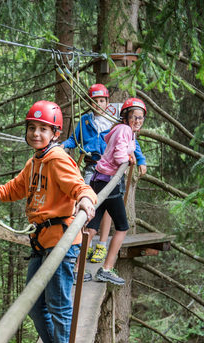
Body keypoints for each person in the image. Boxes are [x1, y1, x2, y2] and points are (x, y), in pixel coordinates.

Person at [0, 100, 97, 343]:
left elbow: (80, 187)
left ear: (55, 134)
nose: (36, 133)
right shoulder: (35, 162)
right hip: (42, 243)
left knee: (58, 306)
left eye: (43, 129)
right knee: (33, 305)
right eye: (32, 128)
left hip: (61, 244)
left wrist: (86, 199)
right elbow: (16, 188)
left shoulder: (57, 159)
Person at [63, 84, 147, 264]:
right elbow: (74, 139)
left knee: (108, 208)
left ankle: (100, 245)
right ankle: (82, 245)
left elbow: (132, 142)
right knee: (86, 202)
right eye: (95, 101)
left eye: (102, 100)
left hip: (110, 169)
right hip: (94, 165)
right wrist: (63, 145)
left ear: (107, 102)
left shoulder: (114, 121)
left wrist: (140, 159)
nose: (98, 104)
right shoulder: (86, 121)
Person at [87, 97, 148, 285]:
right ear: (125, 117)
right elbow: (119, 154)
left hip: (101, 180)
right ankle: (106, 269)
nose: (137, 121)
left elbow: (112, 142)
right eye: (134, 117)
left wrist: (133, 156)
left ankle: (75, 268)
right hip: (110, 182)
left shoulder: (124, 130)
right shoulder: (124, 130)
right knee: (122, 227)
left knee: (90, 228)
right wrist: (127, 159)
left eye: (140, 117)